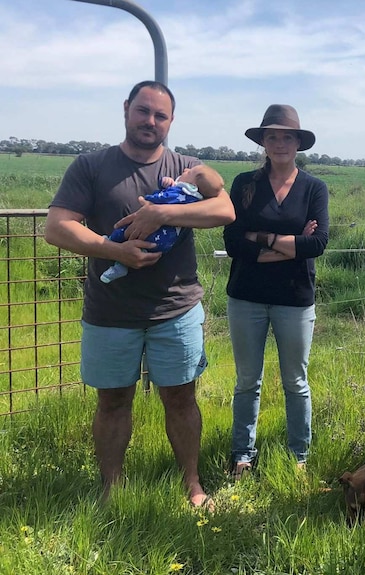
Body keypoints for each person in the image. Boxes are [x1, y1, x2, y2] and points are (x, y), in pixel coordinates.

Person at [44, 80, 235, 508]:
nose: (151, 121)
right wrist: (114, 251)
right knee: (112, 400)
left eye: (160, 115)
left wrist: (162, 211)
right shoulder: (91, 166)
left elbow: (225, 209)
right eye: (143, 111)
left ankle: (192, 482)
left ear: (170, 121)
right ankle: (111, 487)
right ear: (127, 109)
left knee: (182, 398)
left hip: (176, 309)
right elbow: (56, 227)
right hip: (110, 312)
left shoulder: (186, 167)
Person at [223, 104, 329, 479]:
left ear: (298, 143)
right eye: (273, 136)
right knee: (247, 381)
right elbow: (234, 241)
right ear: (263, 142)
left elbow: (317, 244)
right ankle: (242, 455)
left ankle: (298, 456)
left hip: (295, 299)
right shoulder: (244, 184)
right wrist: (289, 245)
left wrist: (263, 239)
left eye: (287, 136)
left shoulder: (315, 187)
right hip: (246, 296)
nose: (280, 143)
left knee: (295, 382)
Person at [101, 164, 225, 283]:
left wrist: (150, 202)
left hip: (154, 234)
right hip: (165, 242)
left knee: (123, 231)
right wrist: (167, 182)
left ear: (192, 185)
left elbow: (164, 197)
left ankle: (110, 241)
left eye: (190, 172)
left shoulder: (181, 192)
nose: (186, 170)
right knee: (137, 251)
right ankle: (122, 265)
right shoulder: (195, 198)